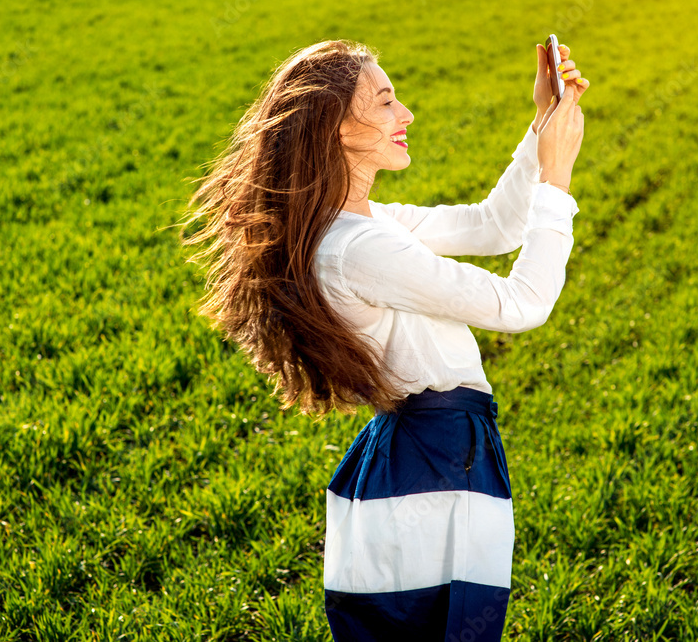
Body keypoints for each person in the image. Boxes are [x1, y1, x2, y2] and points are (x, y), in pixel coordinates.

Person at [181, 38, 587, 641]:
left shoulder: (364, 224)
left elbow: (493, 225)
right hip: (434, 461)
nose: (407, 115)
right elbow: (520, 303)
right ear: (336, 129)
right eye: (386, 101)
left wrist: (541, 126)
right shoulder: (357, 247)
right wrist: (557, 178)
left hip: (427, 456)